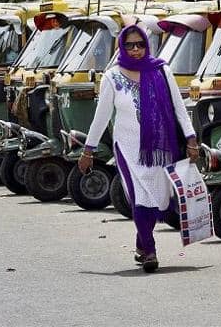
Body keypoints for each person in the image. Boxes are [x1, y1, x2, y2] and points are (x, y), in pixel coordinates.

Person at [78, 24, 199, 273]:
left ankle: (141, 244)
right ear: (122, 46)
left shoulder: (161, 70)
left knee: (159, 198)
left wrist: (191, 139)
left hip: (159, 147)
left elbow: (179, 107)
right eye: (130, 45)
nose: (135, 49)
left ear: (147, 44)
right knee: (141, 197)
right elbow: (101, 118)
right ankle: (150, 251)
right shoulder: (112, 77)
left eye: (140, 44)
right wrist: (88, 150)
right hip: (128, 149)